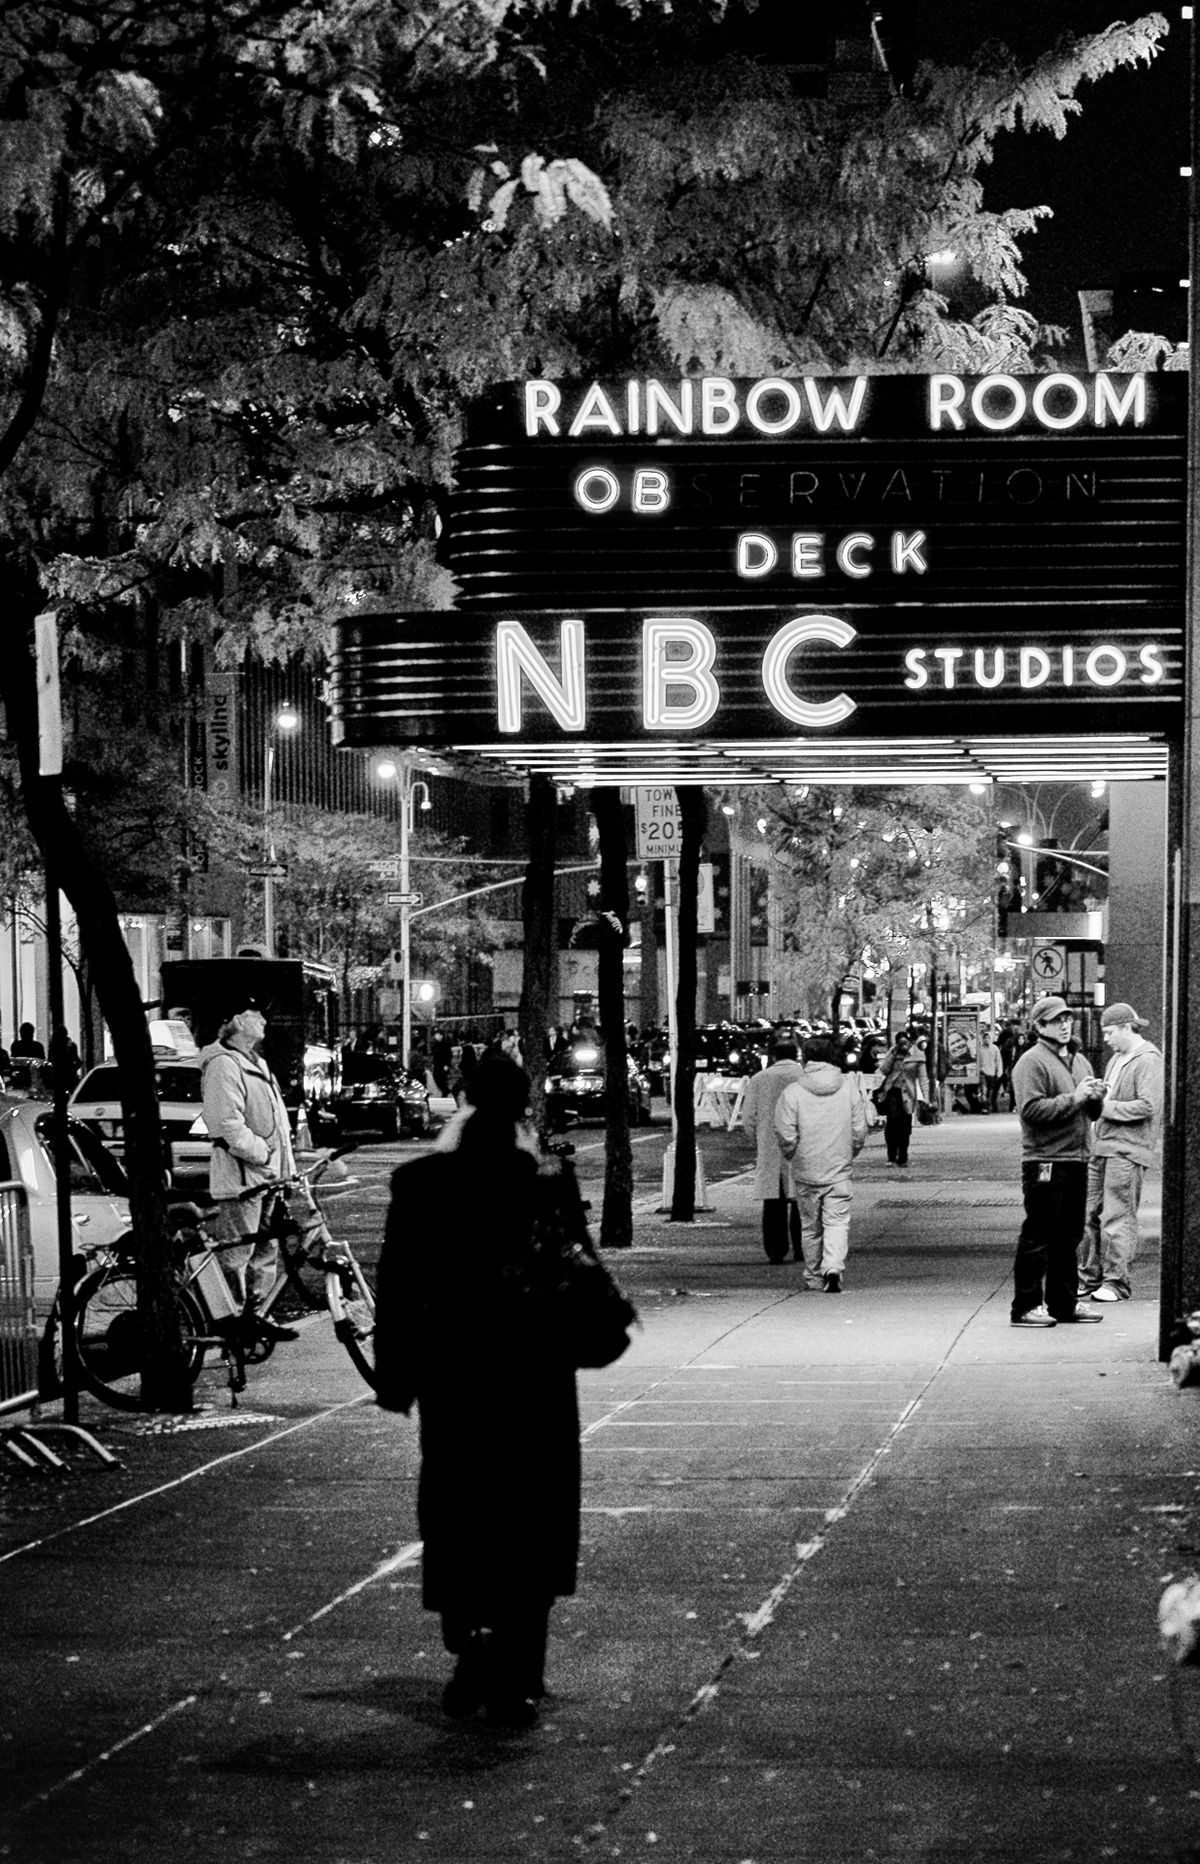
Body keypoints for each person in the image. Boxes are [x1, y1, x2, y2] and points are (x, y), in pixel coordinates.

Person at [373, 1054, 588, 1728]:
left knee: (461, 1510)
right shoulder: (542, 1186)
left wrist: (396, 1374)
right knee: (530, 1513)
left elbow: (398, 1289)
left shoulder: (422, 1186)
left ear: (464, 1099)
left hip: (456, 1378)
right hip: (533, 1379)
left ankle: (471, 1644)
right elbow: (577, 1284)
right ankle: (520, 1664)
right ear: (524, 1104)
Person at [199, 1003, 298, 1342]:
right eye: (257, 1014)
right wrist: (262, 1152)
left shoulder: (258, 1063)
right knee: (237, 1254)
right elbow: (225, 1123)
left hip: (266, 1177)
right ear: (238, 1020)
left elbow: (278, 1125)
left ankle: (256, 1316)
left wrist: (285, 1170)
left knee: (264, 1252)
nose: (265, 1020)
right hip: (242, 1180)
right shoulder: (223, 1065)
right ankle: (233, 1323)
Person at [1009, 995, 1107, 1329]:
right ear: (1039, 1026)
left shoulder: (1080, 1061)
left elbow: (1090, 1112)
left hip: (1077, 1158)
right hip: (1045, 1160)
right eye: (1056, 1020)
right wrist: (1075, 1097)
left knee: (1070, 1235)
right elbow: (1032, 1111)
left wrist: (1094, 1099)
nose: (1065, 1025)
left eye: (1067, 1019)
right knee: (1039, 1235)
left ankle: (1064, 1303)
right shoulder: (1031, 1062)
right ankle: (1026, 1305)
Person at [1078, 1002, 1164, 1302]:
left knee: (1118, 1216)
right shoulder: (1118, 1058)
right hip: (1103, 1146)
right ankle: (1089, 1276)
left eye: (1110, 1032)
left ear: (1127, 1028)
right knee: (1087, 1213)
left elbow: (1148, 1105)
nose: (1105, 1039)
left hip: (1126, 1150)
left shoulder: (1148, 1059)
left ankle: (1116, 1281)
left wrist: (1105, 1107)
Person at [774, 1033, 869, 1293]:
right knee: (837, 1221)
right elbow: (860, 1130)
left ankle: (814, 1275)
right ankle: (833, 1267)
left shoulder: (793, 1092)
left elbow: (785, 1132)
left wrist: (794, 1153)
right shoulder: (849, 1089)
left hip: (806, 1169)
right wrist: (849, 1152)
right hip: (838, 1169)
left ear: (805, 1058)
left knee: (810, 1226)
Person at [740, 1037, 806, 1264]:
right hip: (801, 1147)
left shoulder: (759, 1080)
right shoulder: (805, 1078)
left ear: (774, 1056)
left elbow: (748, 1118)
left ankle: (776, 1250)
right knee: (802, 1202)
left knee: (773, 1205)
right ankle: (802, 1248)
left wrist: (759, 1141)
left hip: (770, 1147)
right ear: (796, 1055)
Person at [875, 1032, 924, 1167]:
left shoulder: (916, 1054)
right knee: (892, 1126)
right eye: (900, 1043)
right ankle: (891, 1156)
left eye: (905, 1042)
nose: (903, 1045)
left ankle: (903, 1156)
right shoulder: (893, 1052)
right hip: (892, 1092)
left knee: (905, 1127)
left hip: (908, 1094)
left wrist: (925, 1097)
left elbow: (922, 1076)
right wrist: (893, 1054)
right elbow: (884, 1070)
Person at [977, 1025, 1004, 1114]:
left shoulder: (995, 1049)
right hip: (983, 1072)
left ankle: (988, 1106)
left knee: (990, 1091)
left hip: (992, 1073)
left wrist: (999, 1072)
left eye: (988, 1038)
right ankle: (984, 1107)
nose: (987, 1040)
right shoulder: (980, 1049)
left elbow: (998, 1061)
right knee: (984, 1090)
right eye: (985, 1038)